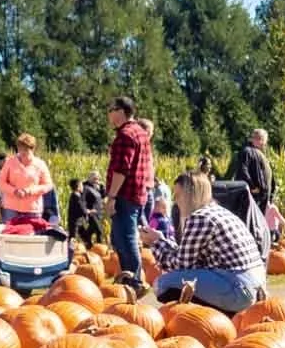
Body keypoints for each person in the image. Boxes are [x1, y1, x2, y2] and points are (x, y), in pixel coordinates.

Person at [150, 171, 264, 312]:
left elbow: (180, 266)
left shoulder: (199, 218)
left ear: (189, 195)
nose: (175, 200)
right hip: (256, 284)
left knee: (162, 284)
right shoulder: (219, 212)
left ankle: (214, 317)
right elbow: (186, 256)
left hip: (238, 289)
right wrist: (160, 240)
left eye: (178, 195)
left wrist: (155, 243)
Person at [103, 96, 156, 295]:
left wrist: (112, 197)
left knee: (126, 238)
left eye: (111, 109)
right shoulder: (141, 132)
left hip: (125, 194)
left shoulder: (125, 135)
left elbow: (121, 170)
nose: (109, 114)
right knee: (120, 237)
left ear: (121, 111)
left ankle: (134, 281)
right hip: (138, 192)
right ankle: (129, 278)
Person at [0, 134, 55, 222]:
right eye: (20, 149)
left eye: (26, 150)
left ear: (32, 149)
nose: (22, 152)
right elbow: (1, 182)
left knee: (31, 234)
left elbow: (48, 185)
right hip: (11, 208)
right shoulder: (10, 162)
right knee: (11, 234)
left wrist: (30, 191)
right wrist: (14, 191)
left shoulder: (40, 164)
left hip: (33, 209)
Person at [228, 128, 275, 211]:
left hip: (261, 197)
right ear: (259, 139)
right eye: (265, 141)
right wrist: (252, 187)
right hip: (253, 196)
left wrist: (270, 196)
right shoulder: (247, 151)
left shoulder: (261, 154)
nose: (265, 144)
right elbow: (243, 170)